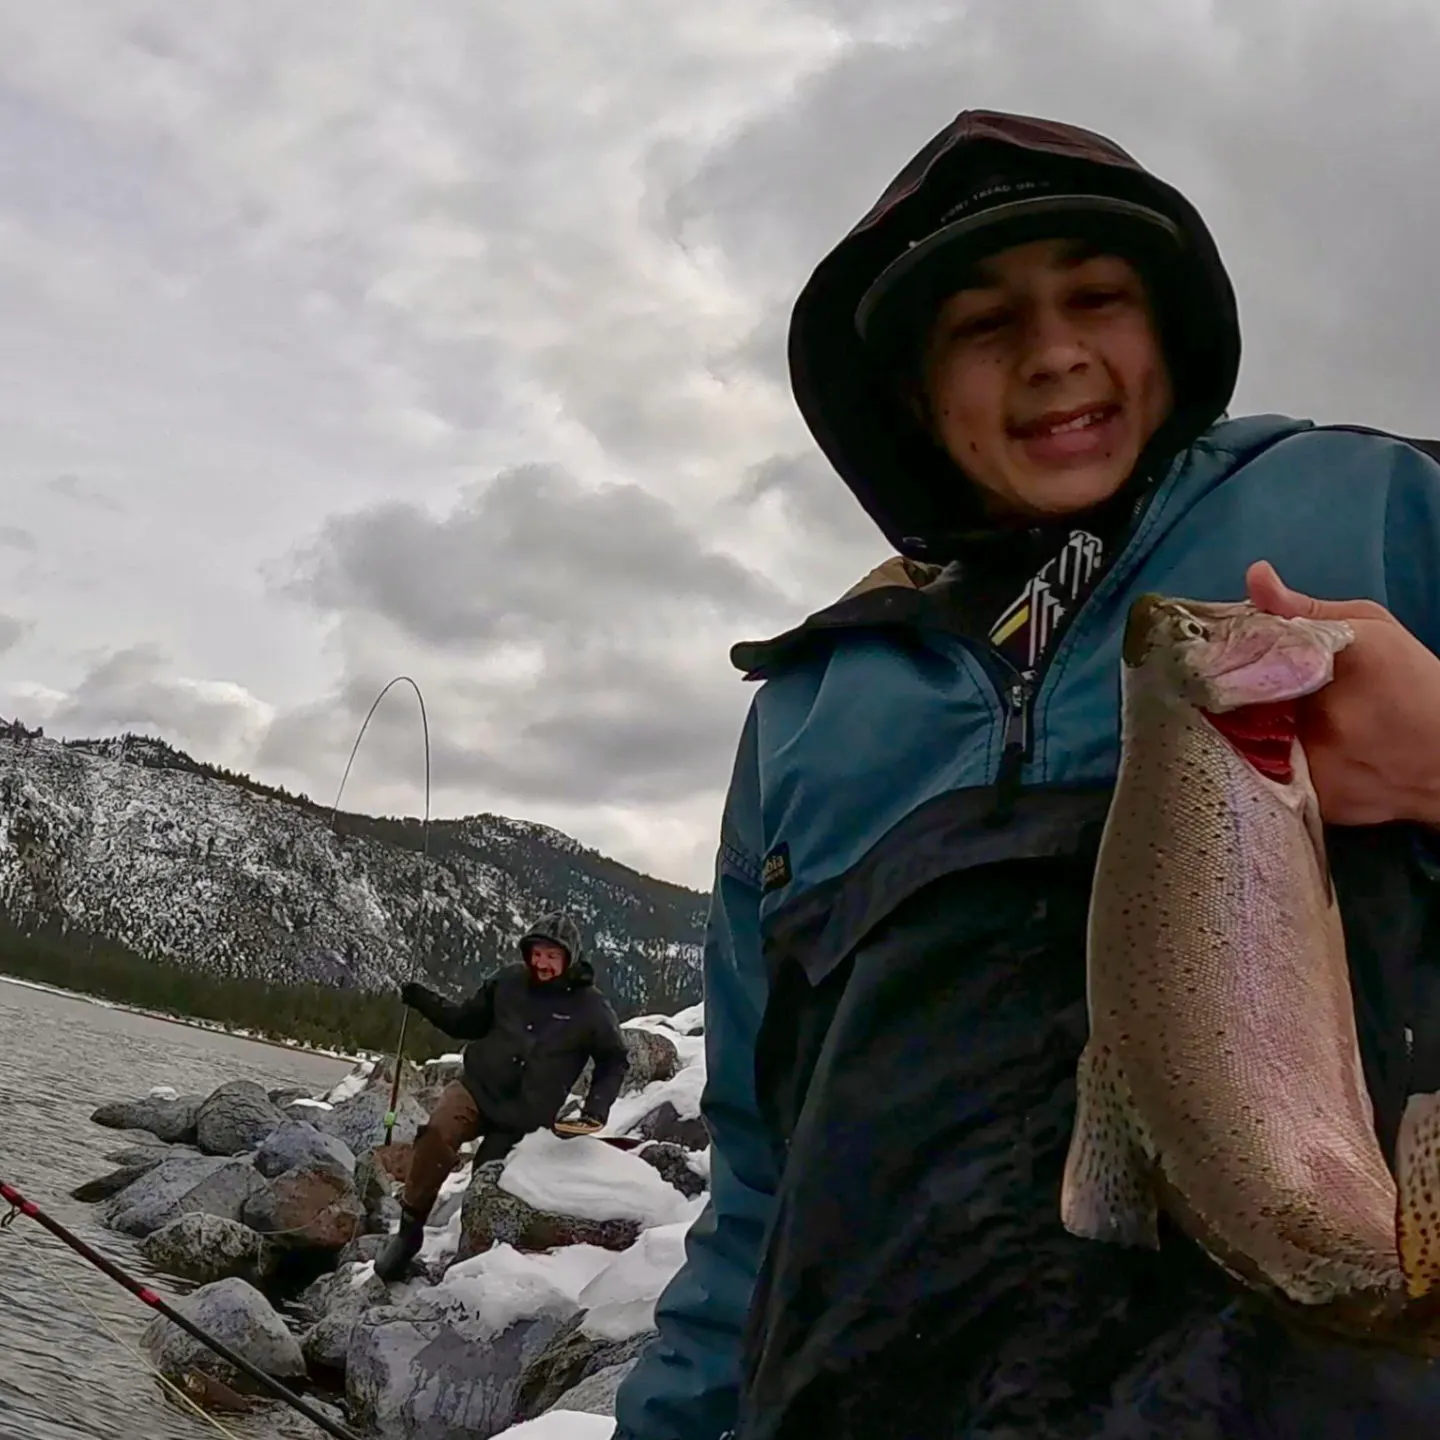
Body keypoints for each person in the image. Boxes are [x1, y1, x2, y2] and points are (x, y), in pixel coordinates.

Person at [612, 108, 1440, 1440]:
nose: (1054, 353)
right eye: (985, 325)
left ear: (1164, 328)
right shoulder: (813, 712)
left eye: (1098, 296)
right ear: (919, 395)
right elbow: (759, 1193)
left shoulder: (1382, 508)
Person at [374, 911, 630, 1282]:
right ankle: (409, 1233)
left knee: (486, 1185)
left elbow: (614, 1059)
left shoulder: (591, 1007)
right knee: (435, 1135)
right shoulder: (508, 981)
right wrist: (423, 1000)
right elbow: (465, 1022)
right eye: (537, 954)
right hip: (477, 1087)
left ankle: (466, 1266)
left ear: (569, 958)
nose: (541, 963)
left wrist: (596, 1108)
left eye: (552, 957)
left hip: (524, 1115)